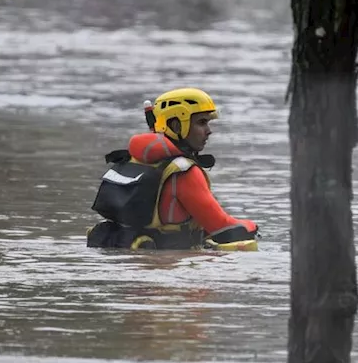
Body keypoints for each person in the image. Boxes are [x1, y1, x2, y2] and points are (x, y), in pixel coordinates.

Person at [86, 87, 259, 250]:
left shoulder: (131, 159)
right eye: (202, 122)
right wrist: (252, 225)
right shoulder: (184, 172)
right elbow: (222, 229)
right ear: (177, 126)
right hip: (167, 266)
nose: (208, 131)